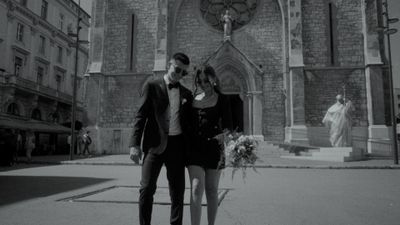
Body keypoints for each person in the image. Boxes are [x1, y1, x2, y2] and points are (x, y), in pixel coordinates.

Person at [129, 52, 192, 225]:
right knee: (146, 189)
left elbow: (191, 124)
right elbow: (140, 116)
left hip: (177, 146)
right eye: (177, 69)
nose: (179, 74)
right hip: (154, 145)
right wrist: (134, 144)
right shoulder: (152, 86)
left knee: (177, 192)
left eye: (183, 73)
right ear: (168, 65)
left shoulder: (187, 93)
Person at [186, 65, 233, 225]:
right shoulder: (193, 99)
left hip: (214, 148)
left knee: (212, 190)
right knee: (196, 188)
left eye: (206, 80)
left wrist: (223, 136)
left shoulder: (223, 99)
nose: (203, 84)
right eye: (200, 81)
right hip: (195, 149)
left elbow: (228, 128)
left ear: (213, 78)